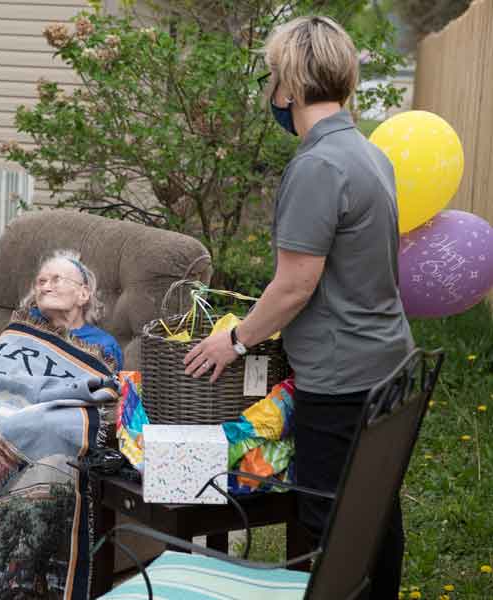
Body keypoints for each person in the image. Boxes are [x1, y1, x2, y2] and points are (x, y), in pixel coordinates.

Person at [182, 16, 413, 599]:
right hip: (389, 364)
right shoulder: (369, 154)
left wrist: (231, 342)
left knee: (331, 527)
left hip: (341, 379)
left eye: (271, 78)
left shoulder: (316, 167)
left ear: (286, 87)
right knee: (375, 519)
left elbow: (293, 287)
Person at [19, 249, 123, 370]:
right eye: (41, 282)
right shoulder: (23, 326)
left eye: (56, 280)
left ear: (83, 294)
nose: (45, 288)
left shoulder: (101, 345)